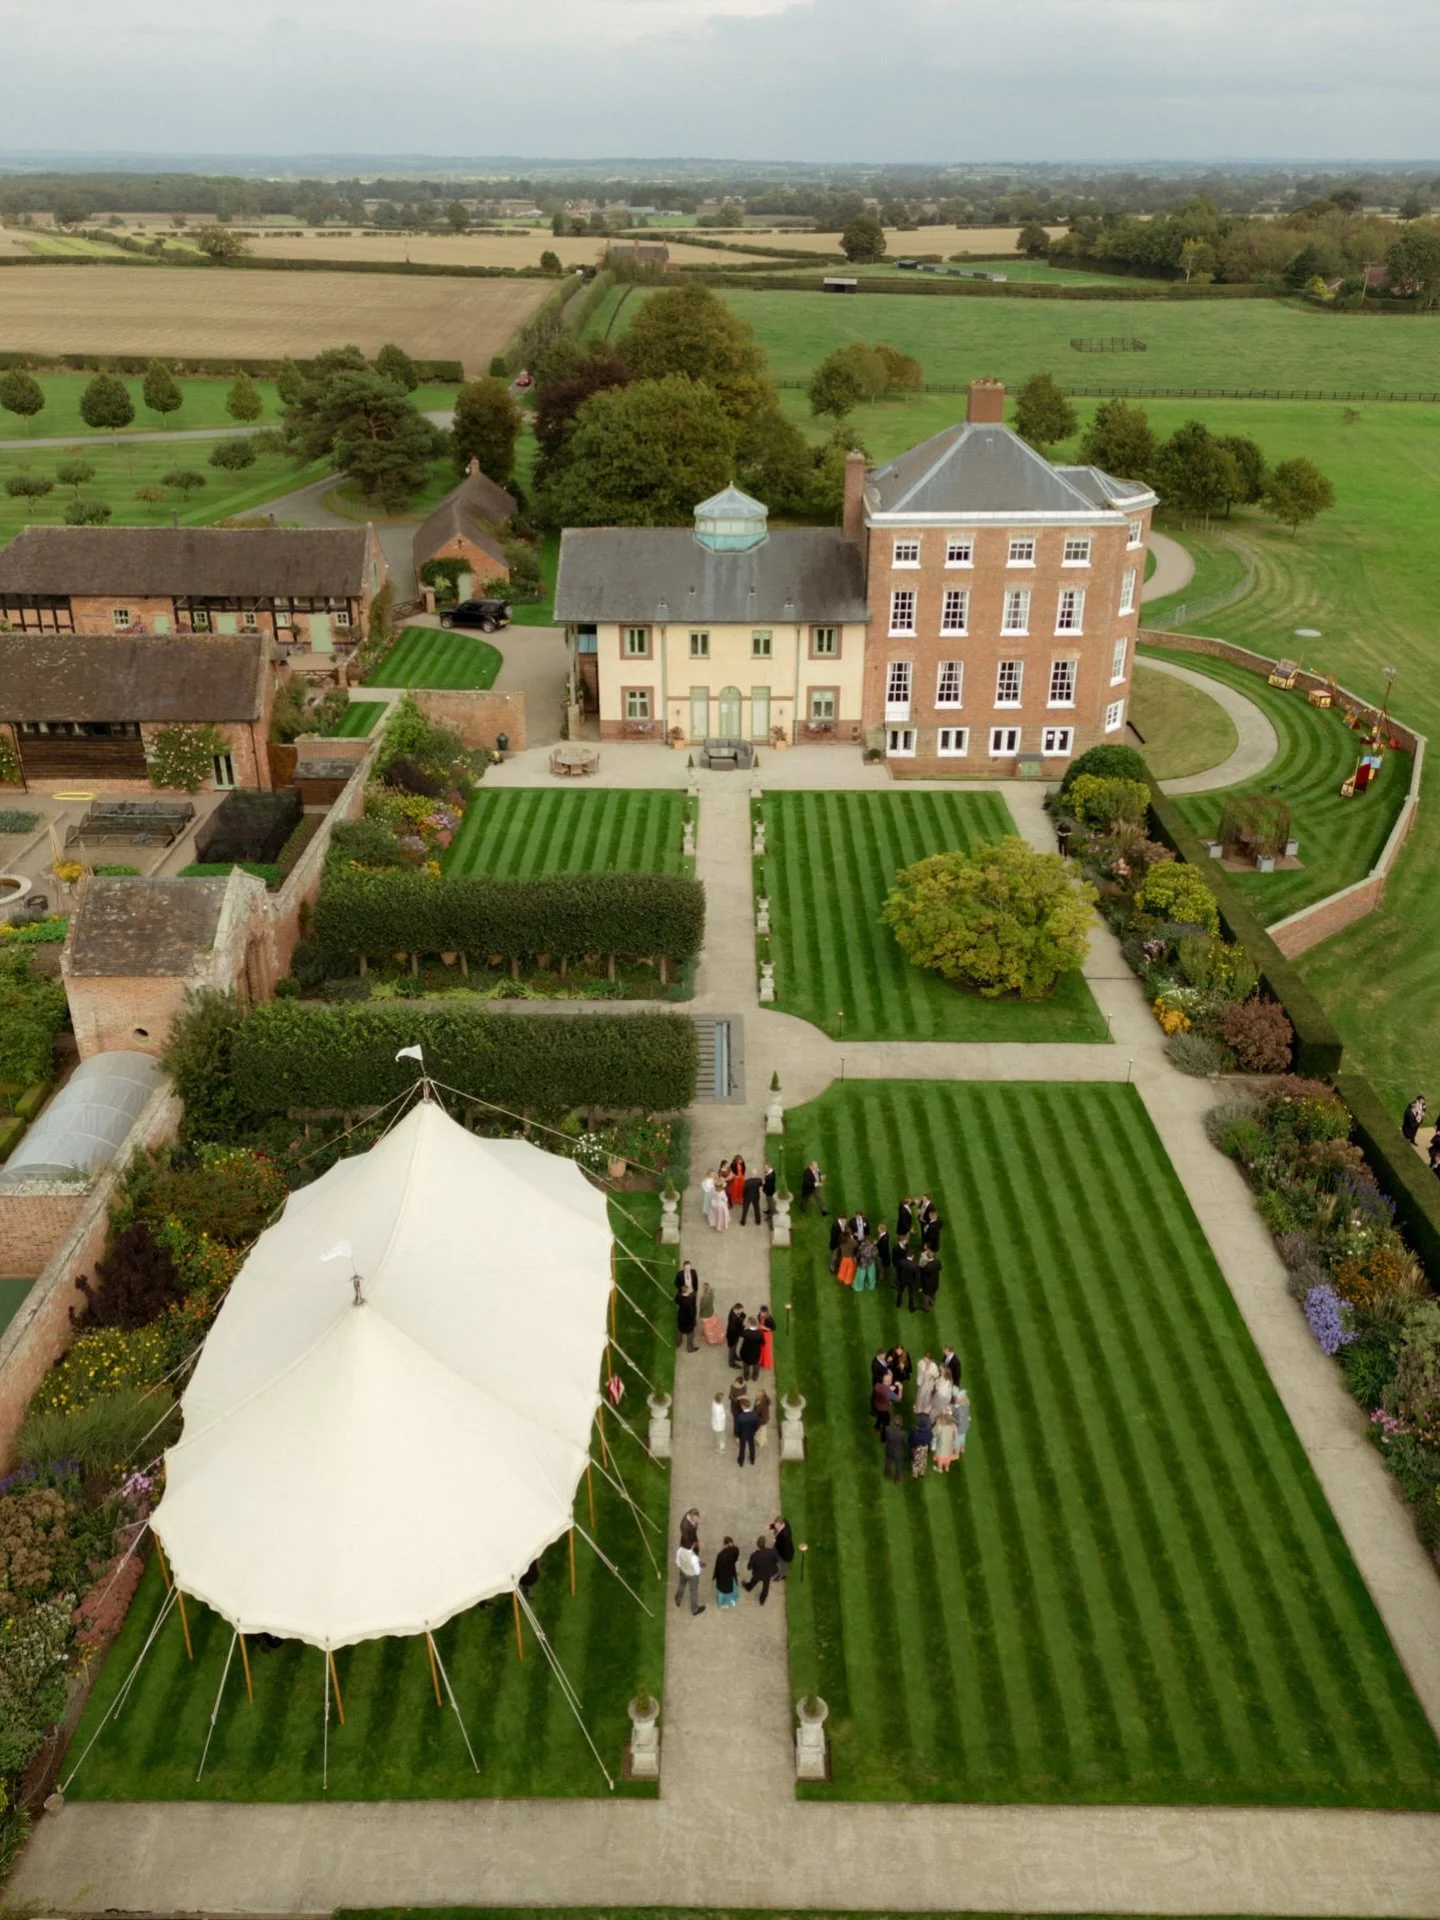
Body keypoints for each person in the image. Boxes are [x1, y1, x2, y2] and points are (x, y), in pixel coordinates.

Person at [743, 1532, 779, 1604]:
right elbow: (776, 1560)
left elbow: (749, 1567)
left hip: (758, 1574)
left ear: (757, 1545)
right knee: (766, 1587)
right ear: (765, 1543)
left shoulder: (754, 1556)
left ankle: (748, 1588)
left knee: (753, 1581)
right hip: (768, 1572)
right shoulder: (771, 1552)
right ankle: (762, 1600)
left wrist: (750, 1567)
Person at [674, 1539, 705, 1614]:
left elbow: (678, 1562)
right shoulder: (693, 1557)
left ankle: (678, 1599)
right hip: (692, 1575)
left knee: (681, 1585)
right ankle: (694, 1609)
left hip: (683, 1571)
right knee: (693, 1592)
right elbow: (697, 1571)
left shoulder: (680, 1550)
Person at [713, 1536, 740, 1610]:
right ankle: (732, 1600)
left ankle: (723, 1604)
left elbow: (718, 1567)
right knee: (732, 1587)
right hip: (731, 1572)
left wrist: (715, 1575)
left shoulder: (721, 1555)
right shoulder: (736, 1550)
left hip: (723, 1575)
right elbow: (735, 1559)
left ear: (725, 1544)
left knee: (722, 1591)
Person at [931, 1404, 959, 1474]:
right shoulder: (953, 1426)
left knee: (941, 1458)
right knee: (948, 1457)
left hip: (941, 1446)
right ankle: (947, 1467)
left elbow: (934, 1432)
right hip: (950, 1446)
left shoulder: (940, 1426)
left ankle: (939, 1468)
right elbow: (956, 1437)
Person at [883, 1410, 908, 1483]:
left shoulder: (887, 1429)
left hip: (889, 1449)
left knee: (888, 1461)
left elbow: (886, 1437)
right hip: (898, 1451)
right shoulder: (903, 1433)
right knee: (898, 1465)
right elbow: (905, 1442)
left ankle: (887, 1474)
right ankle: (897, 1479)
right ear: (901, 1423)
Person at [675, 1276, 698, 1353]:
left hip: (680, 1319)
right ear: (687, 1291)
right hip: (688, 1323)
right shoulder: (689, 1303)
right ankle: (690, 1348)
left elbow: (676, 1300)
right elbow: (691, 1314)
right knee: (690, 1336)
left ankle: (678, 1343)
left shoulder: (679, 1296)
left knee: (679, 1332)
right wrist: (693, 1322)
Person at [735, 1398, 759, 1467]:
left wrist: (737, 1436)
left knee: (742, 1448)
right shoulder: (754, 1415)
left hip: (743, 1434)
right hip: (751, 1433)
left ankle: (741, 1461)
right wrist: (753, 1431)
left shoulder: (740, 1417)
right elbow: (756, 1425)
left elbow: (737, 1428)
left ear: (743, 1406)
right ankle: (752, 1459)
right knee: (752, 1446)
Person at [909, 1407, 933, 1478]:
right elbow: (930, 1438)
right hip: (925, 1447)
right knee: (923, 1460)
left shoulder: (916, 1433)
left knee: (916, 1461)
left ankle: (915, 1474)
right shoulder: (928, 1433)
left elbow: (911, 1440)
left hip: (917, 1448)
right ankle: (922, 1472)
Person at [894, 1244, 918, 1312]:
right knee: (911, 1294)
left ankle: (898, 1304)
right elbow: (915, 1275)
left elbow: (898, 1270)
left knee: (900, 1292)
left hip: (902, 1279)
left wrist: (898, 1278)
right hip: (911, 1282)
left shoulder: (901, 1262)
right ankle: (911, 1307)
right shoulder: (914, 1266)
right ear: (912, 1256)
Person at [771, 1515, 795, 1579]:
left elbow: (785, 1549)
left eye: (777, 1525)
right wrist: (771, 1526)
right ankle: (779, 1571)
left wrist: (776, 1542)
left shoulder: (785, 1537)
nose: (775, 1527)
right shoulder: (784, 1522)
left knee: (783, 1565)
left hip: (784, 1554)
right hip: (779, 1548)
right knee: (776, 1561)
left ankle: (783, 1576)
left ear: (781, 1524)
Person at [871, 1372, 894, 1437]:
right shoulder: (888, 1392)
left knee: (879, 1417)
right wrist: (900, 1389)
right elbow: (898, 1398)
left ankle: (877, 1427)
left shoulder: (877, 1385)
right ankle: (883, 1437)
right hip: (884, 1409)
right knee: (886, 1423)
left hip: (877, 1406)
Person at [725, 1302, 747, 1367]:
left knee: (735, 1346)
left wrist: (741, 1318)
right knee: (732, 1348)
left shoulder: (734, 1310)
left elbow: (743, 1315)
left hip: (735, 1335)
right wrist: (743, 1327)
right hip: (732, 1336)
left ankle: (735, 1356)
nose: (742, 1312)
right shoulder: (733, 1318)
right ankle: (731, 1363)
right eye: (741, 1310)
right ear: (737, 1309)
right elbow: (733, 1329)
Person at [836, 1221, 857, 1288]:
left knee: (843, 1268)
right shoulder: (852, 1242)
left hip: (843, 1257)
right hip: (849, 1258)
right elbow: (856, 1244)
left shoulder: (841, 1238)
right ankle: (847, 1281)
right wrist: (852, 1238)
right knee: (850, 1270)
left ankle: (841, 1277)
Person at [954, 1387, 971, 1458]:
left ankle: (956, 1454)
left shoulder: (959, 1409)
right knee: (963, 1438)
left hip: (959, 1429)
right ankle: (962, 1448)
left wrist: (951, 1419)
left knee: (957, 1441)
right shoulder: (966, 1406)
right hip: (965, 1426)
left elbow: (958, 1421)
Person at [758, 1305, 776, 1371]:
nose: (760, 1313)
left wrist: (765, 1328)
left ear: (765, 1312)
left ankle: (766, 1363)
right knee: (760, 1348)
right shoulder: (759, 1315)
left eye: (762, 1312)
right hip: (761, 1332)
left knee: (766, 1349)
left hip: (767, 1335)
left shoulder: (770, 1320)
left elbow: (773, 1328)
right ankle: (761, 1360)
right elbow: (760, 1321)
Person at [753, 1385, 771, 1449]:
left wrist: (757, 1420)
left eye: (757, 1395)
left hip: (762, 1422)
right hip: (758, 1420)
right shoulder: (758, 1400)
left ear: (761, 1396)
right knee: (758, 1433)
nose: (755, 1395)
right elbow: (755, 1409)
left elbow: (765, 1418)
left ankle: (761, 1444)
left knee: (761, 1434)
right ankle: (760, 1441)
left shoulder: (764, 1407)